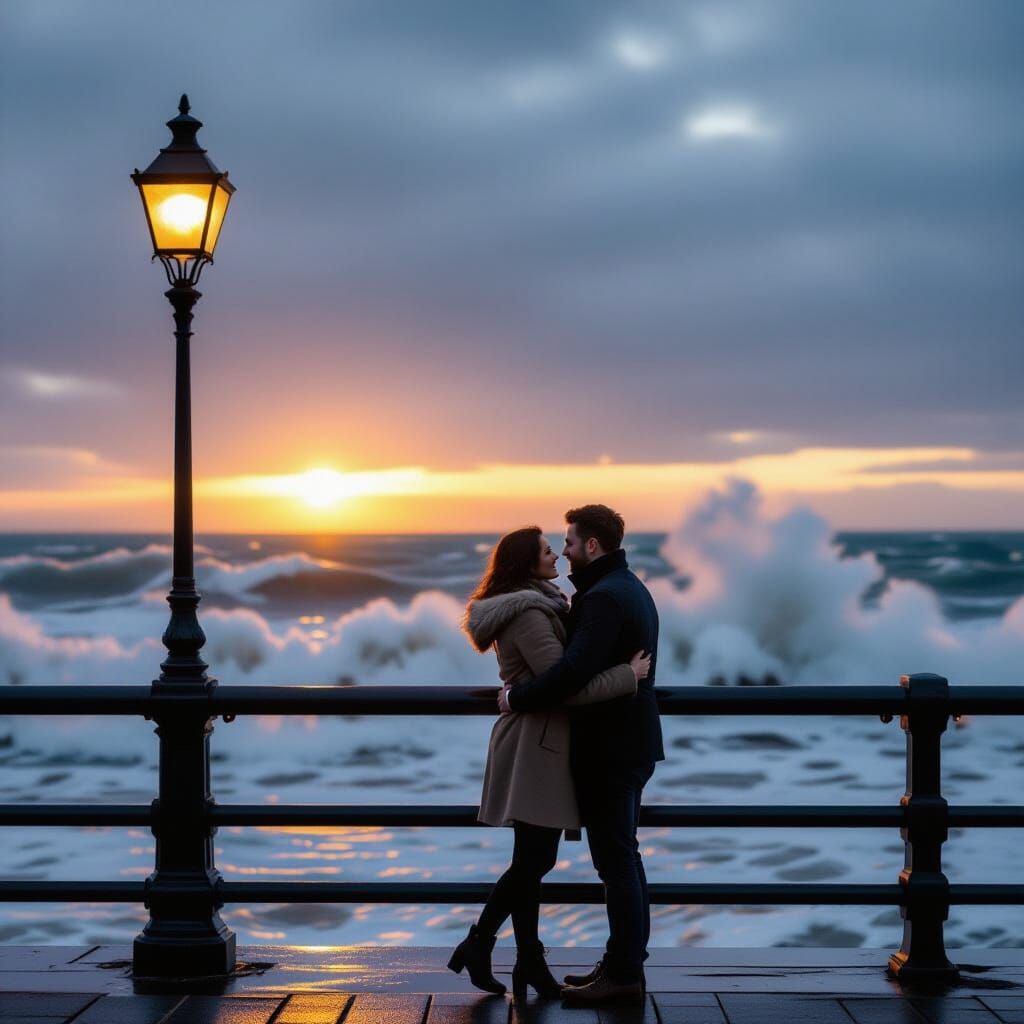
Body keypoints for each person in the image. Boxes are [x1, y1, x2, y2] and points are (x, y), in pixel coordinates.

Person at [447, 525, 651, 1001]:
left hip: (542, 743)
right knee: (534, 861)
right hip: (536, 746)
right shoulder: (529, 615)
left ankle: (525, 961)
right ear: (526, 565)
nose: (557, 555)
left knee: (531, 861)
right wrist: (628, 675)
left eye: (561, 546)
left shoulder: (540, 602)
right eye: (545, 551)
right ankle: (483, 945)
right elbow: (569, 687)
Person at [498, 505, 664, 1005]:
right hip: (631, 743)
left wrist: (516, 697)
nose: (564, 551)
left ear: (592, 545)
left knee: (616, 862)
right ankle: (622, 963)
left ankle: (624, 975)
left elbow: (570, 676)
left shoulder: (604, 599)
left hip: (611, 748)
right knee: (625, 859)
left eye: (568, 542)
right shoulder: (627, 586)